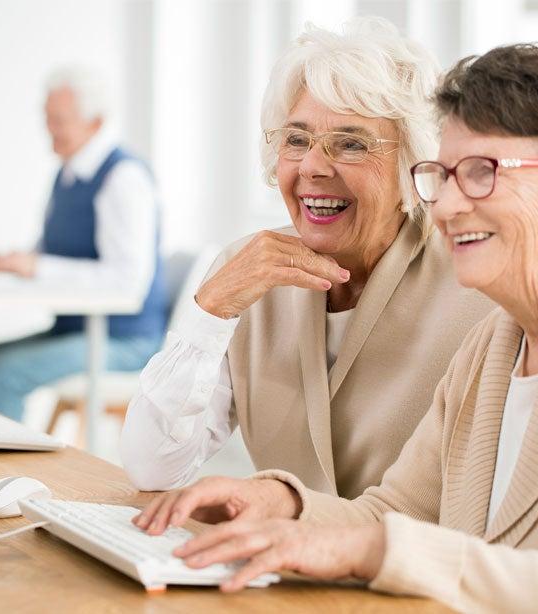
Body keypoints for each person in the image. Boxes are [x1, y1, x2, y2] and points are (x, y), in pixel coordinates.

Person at [133, 41, 538, 611]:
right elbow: (394, 512)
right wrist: (280, 503)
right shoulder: (497, 346)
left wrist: (379, 551)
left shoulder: (498, 317)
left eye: (482, 173)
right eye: (447, 175)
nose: (449, 205)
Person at [120, 18, 493, 498]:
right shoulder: (246, 273)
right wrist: (209, 310)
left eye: (352, 144)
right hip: (282, 565)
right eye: (296, 140)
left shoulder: (475, 285)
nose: (313, 166)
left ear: (412, 164)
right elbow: (152, 468)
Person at [0, 66, 167, 421]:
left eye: (59, 119)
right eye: (47, 118)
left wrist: (38, 267)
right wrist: (9, 262)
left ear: (95, 122)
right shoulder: (67, 175)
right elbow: (53, 255)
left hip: (122, 341)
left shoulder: (124, 178)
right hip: (74, 329)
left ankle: (3, 475)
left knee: (1, 375)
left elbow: (128, 281)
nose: (49, 129)